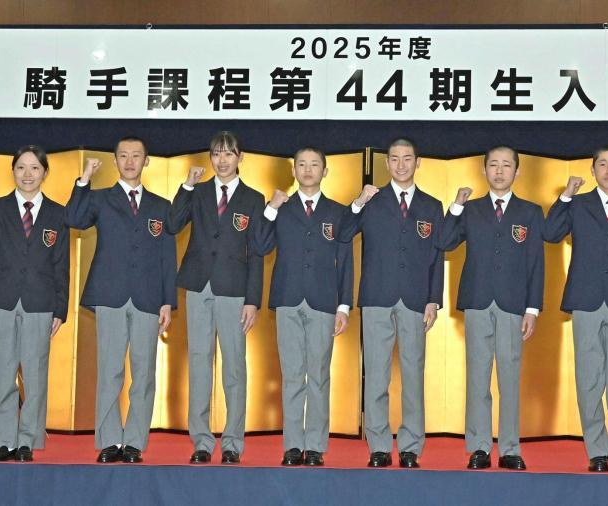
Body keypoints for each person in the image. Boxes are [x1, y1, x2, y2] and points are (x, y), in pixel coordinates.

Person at [542, 145, 608, 474]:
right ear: (592, 170)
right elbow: (550, 233)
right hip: (585, 302)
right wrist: (565, 195)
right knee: (589, 379)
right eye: (602, 164)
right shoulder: (578, 204)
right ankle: (596, 450)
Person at [66, 136, 176, 464]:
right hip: (110, 294)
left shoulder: (161, 206)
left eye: (136, 156)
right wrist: (84, 180)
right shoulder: (100, 198)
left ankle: (135, 442)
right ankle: (110, 440)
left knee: (143, 373)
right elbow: (74, 218)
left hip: (147, 297)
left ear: (147, 161)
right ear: (114, 161)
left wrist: (167, 300)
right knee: (110, 371)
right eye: (123, 156)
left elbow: (168, 257)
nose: (130, 161)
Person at [337, 137, 444, 469]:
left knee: (413, 374)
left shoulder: (431, 205)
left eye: (407, 158)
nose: (401, 165)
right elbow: (341, 234)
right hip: (377, 297)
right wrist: (357, 202)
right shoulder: (372, 200)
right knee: (378, 376)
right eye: (394, 159)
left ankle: (411, 446)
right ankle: (379, 446)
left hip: (414, 299)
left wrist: (433, 299)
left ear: (418, 162)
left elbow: (437, 256)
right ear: (387, 164)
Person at [436, 145, 544, 471]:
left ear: (517, 171)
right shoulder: (470, 209)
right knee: (478, 378)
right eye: (493, 165)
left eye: (506, 165)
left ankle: (510, 448)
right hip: (478, 301)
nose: (499, 171)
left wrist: (533, 309)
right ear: (484, 170)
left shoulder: (530, 212)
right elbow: (443, 241)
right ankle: (479, 447)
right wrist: (455, 206)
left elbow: (536, 263)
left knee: (510, 379)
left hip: (513, 304)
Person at [254, 147, 354, 467]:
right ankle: (293, 445)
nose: (308, 169)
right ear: (293, 169)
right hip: (288, 299)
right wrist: (271, 208)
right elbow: (259, 244)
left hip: (324, 301)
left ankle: (315, 446)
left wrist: (344, 306)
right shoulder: (281, 208)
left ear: (325, 171)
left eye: (315, 165)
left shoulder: (338, 212)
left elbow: (346, 263)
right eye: (302, 164)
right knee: (293, 375)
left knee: (319, 375)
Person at [170, 131, 265, 465]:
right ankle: (200, 440)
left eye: (228, 154)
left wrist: (253, 299)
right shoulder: (196, 193)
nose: (222, 160)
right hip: (198, 285)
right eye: (216, 154)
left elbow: (257, 253)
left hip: (234, 289)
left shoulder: (254, 198)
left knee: (234, 367)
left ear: (241, 158)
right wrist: (186, 186)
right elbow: (171, 224)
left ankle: (232, 443)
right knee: (199, 362)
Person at [0, 145, 69, 462]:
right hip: (2, 297)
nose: (27, 174)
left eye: (34, 168)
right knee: (3, 371)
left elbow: (61, 264)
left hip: (41, 301)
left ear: (44, 173)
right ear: (12, 171)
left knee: (36, 372)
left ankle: (27, 440)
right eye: (21, 168)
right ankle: (3, 441)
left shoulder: (58, 212)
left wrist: (61, 309)